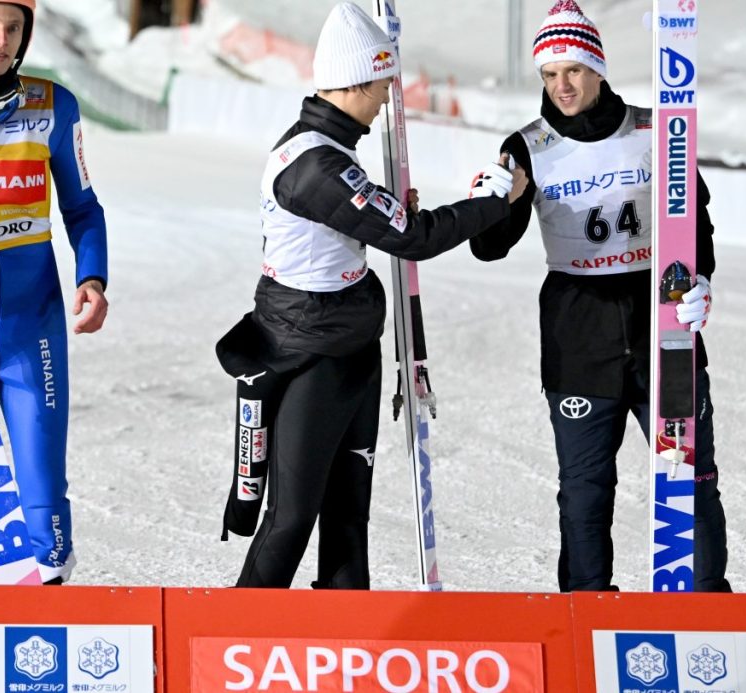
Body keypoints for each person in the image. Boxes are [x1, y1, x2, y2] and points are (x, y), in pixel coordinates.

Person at [216, 2, 527, 589]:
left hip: (350, 345)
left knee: (348, 519)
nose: (387, 97)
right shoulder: (314, 166)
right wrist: (494, 200)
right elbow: (415, 238)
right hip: (311, 353)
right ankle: (236, 648)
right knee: (292, 519)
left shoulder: (330, 148)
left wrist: (388, 217)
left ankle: (348, 647)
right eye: (382, 83)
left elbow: (378, 224)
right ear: (355, 81)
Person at [470, 0, 730, 592]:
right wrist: (496, 203)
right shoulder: (526, 146)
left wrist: (703, 279)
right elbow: (489, 249)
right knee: (585, 489)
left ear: (598, 69)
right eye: (548, 74)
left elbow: (698, 218)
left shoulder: (655, 130)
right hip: (578, 335)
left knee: (688, 476)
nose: (561, 85)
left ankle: (709, 609)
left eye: (574, 71)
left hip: (659, 322)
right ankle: (586, 614)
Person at [0, 0, 108, 584]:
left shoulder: (54, 106)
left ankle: (44, 643)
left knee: (42, 488)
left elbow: (83, 208)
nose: (1, 39)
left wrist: (93, 276)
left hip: (30, 329)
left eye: (13, 27)